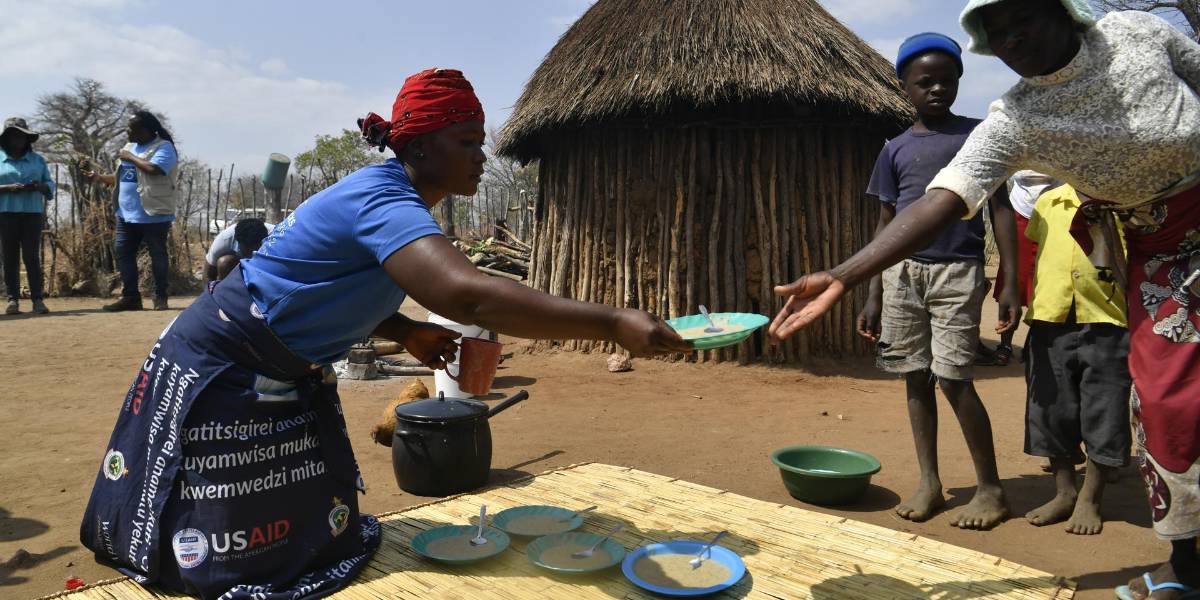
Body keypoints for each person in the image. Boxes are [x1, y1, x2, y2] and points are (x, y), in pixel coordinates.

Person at [80, 69, 691, 600]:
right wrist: (611, 322)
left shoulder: (399, 206)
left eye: (481, 142)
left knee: (302, 533)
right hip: (225, 361)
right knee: (226, 545)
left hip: (276, 364)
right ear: (421, 148)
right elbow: (465, 294)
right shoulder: (382, 199)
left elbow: (333, 284)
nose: (483, 156)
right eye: (467, 142)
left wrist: (407, 332)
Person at [767, 1, 1199, 596]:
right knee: (1168, 404)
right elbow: (944, 197)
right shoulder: (1015, 119)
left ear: (1063, 11)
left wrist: (1007, 284)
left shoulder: (1138, 34)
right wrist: (846, 275)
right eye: (996, 32)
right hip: (1165, 256)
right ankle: (1187, 563)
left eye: (1023, 17)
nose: (1011, 38)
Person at [855, 32, 1020, 530]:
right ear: (903, 86)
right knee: (913, 374)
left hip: (957, 273)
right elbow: (888, 223)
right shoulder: (896, 149)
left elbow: (999, 207)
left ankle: (991, 489)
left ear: (959, 82)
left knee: (953, 377)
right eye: (925, 82)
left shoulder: (977, 137)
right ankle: (929, 480)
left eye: (946, 81)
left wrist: (1009, 277)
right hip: (902, 274)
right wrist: (873, 291)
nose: (937, 90)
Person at [1021, 183, 1130, 535]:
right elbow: (1039, 252)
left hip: (1109, 319)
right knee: (1051, 409)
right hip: (1050, 316)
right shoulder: (1049, 201)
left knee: (1105, 409)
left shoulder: (1126, 201)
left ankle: (1090, 498)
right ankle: (1065, 491)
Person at [84, 111, 178, 312]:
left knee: (157, 255)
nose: (127, 131)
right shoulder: (129, 148)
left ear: (144, 130)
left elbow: (155, 169)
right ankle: (130, 297)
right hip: (126, 214)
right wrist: (100, 178)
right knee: (123, 253)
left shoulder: (164, 147)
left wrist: (130, 157)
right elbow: (123, 178)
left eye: (131, 128)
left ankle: (160, 297)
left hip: (153, 212)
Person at [988, 170, 1056, 365]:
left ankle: (1033, 343)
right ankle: (1006, 344)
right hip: (1019, 211)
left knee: (1047, 281)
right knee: (1013, 276)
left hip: (1054, 212)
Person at [0, 117, 54, 315]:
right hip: (5, 213)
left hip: (32, 213)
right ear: (6, 138)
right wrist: (7, 188)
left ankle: (37, 300)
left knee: (31, 256)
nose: (18, 140)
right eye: (14, 136)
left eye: (22, 136)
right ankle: (12, 300)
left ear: (27, 139)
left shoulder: (37, 160)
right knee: (9, 257)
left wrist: (40, 186)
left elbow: (49, 183)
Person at [205, 218, 272, 285]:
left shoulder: (276, 238)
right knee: (224, 261)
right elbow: (208, 275)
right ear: (238, 242)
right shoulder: (224, 240)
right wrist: (211, 294)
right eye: (248, 251)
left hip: (266, 270)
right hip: (237, 269)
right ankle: (227, 291)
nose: (251, 255)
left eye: (256, 250)